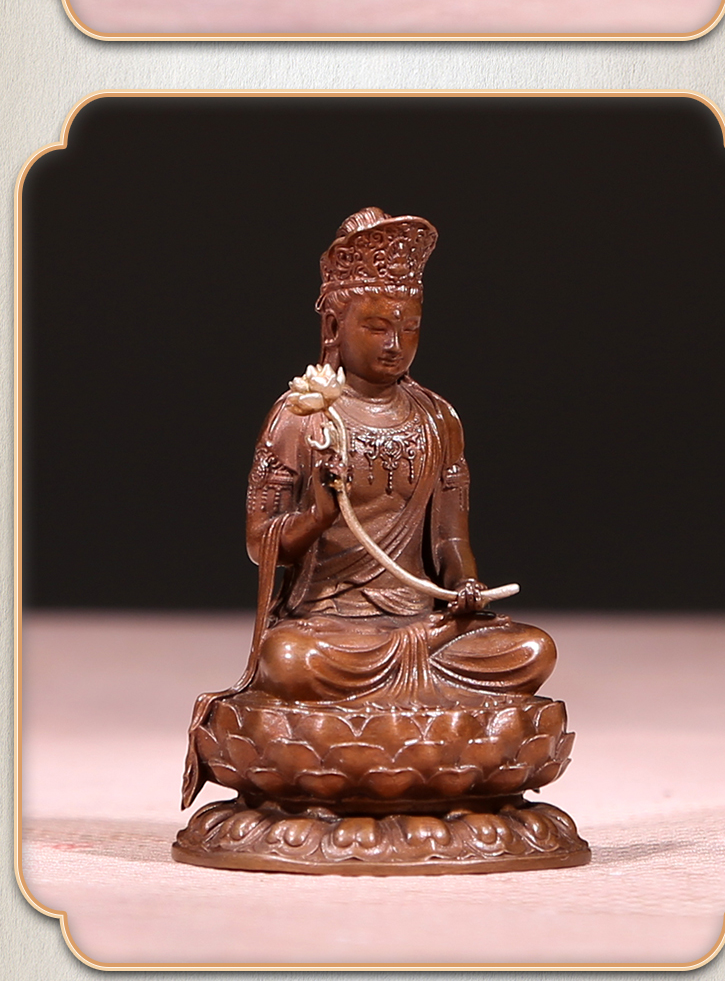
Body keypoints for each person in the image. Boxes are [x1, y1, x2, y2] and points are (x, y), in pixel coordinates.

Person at [179, 207, 578, 852]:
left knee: (532, 651)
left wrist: (465, 588)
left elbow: (450, 541)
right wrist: (317, 515)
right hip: (330, 629)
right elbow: (260, 542)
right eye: (377, 327)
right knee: (287, 662)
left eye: (409, 328)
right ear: (335, 325)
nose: (395, 344)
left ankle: (404, 718)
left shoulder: (438, 419)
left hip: (425, 624)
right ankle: (422, 744)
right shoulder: (301, 415)